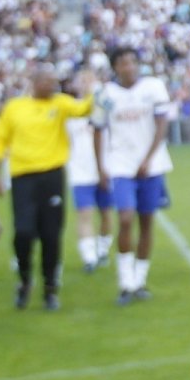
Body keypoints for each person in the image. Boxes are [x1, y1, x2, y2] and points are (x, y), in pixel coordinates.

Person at [0, 64, 93, 311]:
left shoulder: (59, 104)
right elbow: (0, 141)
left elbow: (83, 109)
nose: (53, 85)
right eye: (48, 81)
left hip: (52, 176)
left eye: (55, 81)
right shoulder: (14, 108)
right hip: (23, 178)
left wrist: (90, 91)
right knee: (23, 232)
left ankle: (50, 288)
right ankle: (25, 279)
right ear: (35, 82)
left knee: (51, 234)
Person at [94, 47, 174, 304]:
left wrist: (149, 158)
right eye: (122, 63)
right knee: (126, 218)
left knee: (147, 221)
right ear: (115, 67)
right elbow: (97, 129)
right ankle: (125, 281)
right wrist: (100, 167)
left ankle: (139, 280)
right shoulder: (105, 94)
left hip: (151, 165)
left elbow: (162, 124)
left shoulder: (153, 87)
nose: (128, 67)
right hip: (121, 164)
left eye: (132, 62)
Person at [65, 70, 113, 274]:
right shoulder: (70, 111)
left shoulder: (105, 108)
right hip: (80, 171)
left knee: (106, 214)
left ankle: (102, 249)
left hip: (104, 168)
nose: (85, 84)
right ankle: (89, 257)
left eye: (88, 80)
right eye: (81, 80)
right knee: (84, 214)